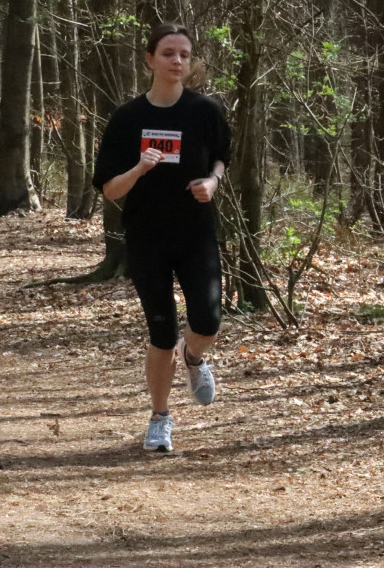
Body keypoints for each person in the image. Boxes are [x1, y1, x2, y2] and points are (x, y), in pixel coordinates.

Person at [92, 23, 231, 453]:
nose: (177, 61)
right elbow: (109, 189)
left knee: (207, 321)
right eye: (168, 53)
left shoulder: (205, 111)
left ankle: (193, 358)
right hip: (147, 237)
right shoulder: (128, 119)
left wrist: (212, 182)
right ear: (149, 59)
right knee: (162, 333)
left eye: (184, 55)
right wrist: (139, 168)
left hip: (196, 235)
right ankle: (160, 419)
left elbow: (221, 159)